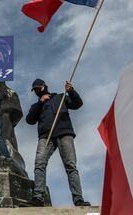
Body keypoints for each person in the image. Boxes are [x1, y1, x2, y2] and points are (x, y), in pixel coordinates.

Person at [26, 79, 90, 207]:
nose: (37, 91)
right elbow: (30, 120)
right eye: (35, 90)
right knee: (39, 163)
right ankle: (38, 198)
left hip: (64, 133)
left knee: (70, 166)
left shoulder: (61, 97)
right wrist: (40, 103)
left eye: (39, 88)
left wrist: (71, 91)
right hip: (46, 137)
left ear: (44, 86)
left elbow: (78, 104)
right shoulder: (36, 105)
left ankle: (78, 199)